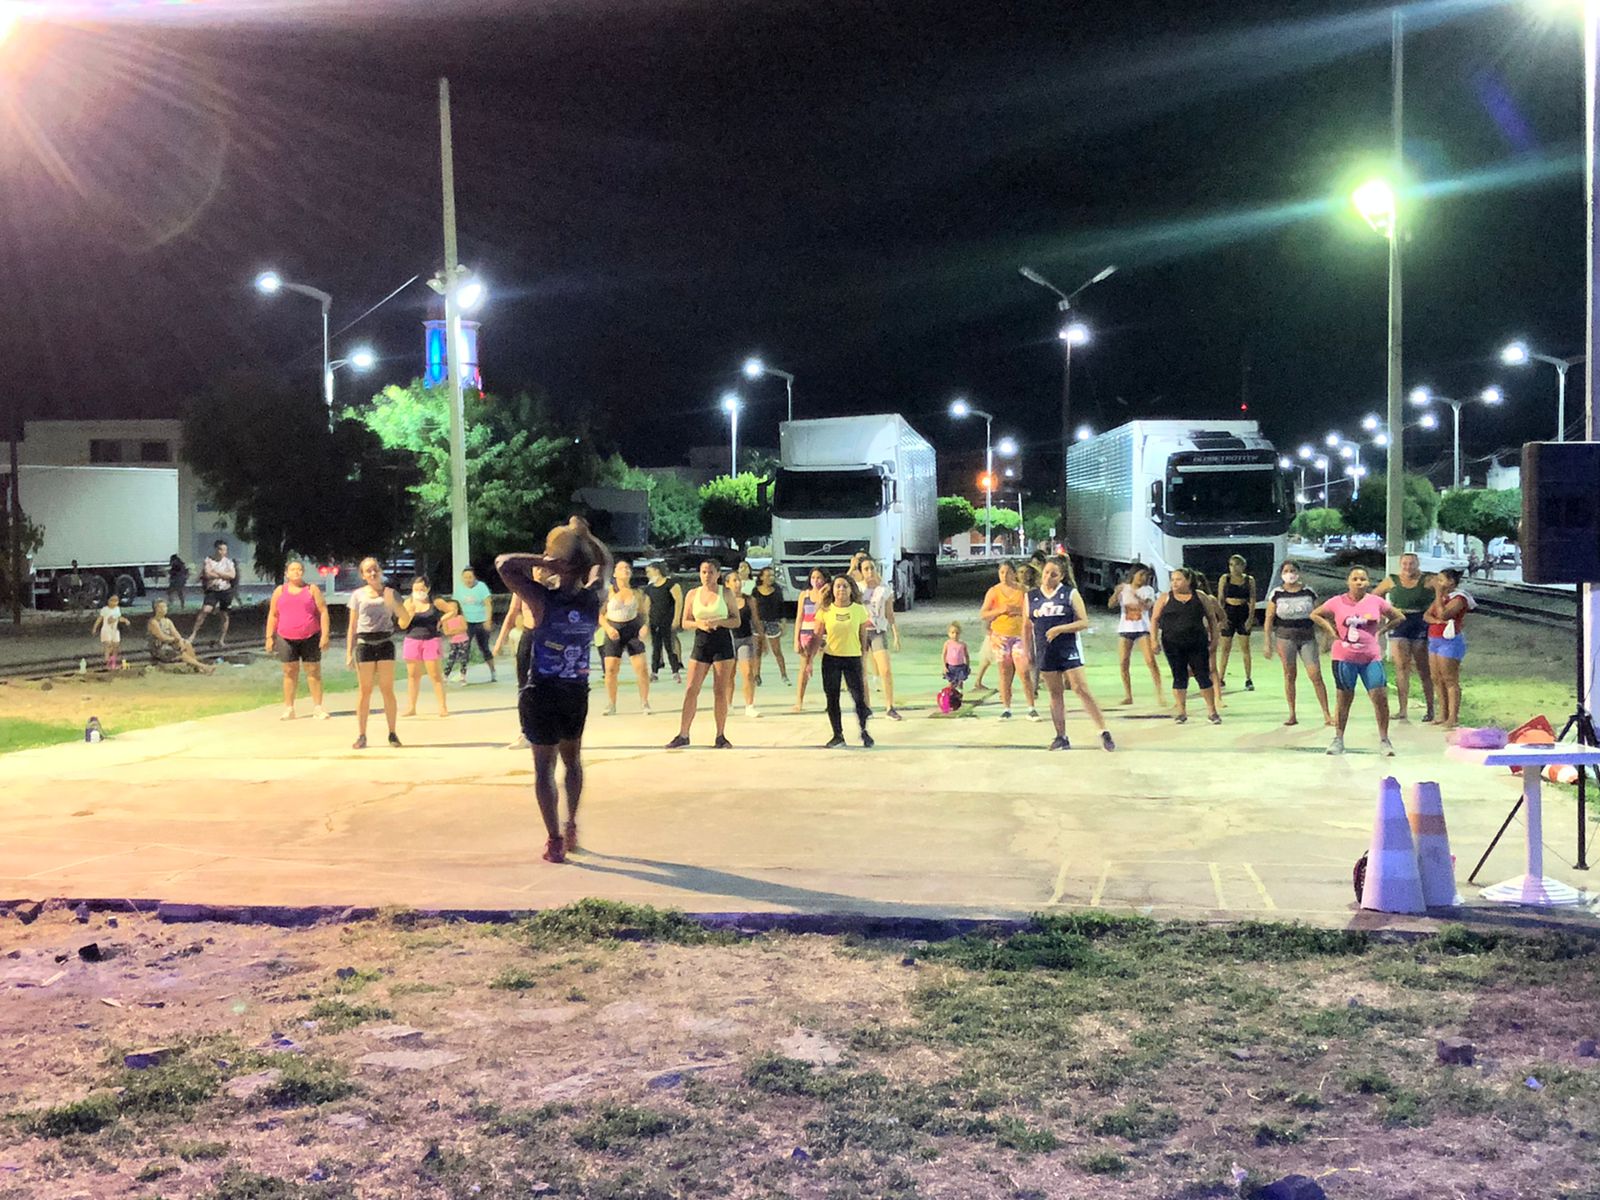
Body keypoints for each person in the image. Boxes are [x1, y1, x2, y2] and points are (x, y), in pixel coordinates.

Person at [496, 516, 611, 864]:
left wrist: (545, 561)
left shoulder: (543, 600)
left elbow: (504, 564)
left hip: (542, 690)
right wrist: (588, 537)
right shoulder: (593, 598)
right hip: (575, 690)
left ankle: (554, 840)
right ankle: (571, 823)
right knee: (572, 761)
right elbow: (605, 561)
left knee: (543, 767)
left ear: (559, 564)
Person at [1310, 566, 1402, 756]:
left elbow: (1398, 617)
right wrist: (1331, 631)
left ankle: (1384, 739)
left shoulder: (1376, 601)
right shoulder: (1337, 601)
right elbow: (1315, 614)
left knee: (1379, 696)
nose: (1359, 582)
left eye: (1362, 579)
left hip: (1370, 657)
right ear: (1348, 582)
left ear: (1368, 582)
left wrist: (1381, 631)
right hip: (1344, 657)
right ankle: (1338, 739)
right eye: (1355, 579)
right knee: (1344, 698)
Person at [1027, 557, 1114, 751]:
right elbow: (1027, 626)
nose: (1048, 577)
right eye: (1046, 572)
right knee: (1055, 693)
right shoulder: (1031, 596)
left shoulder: (1069, 594)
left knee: (1080, 688)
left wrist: (1060, 629)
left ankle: (1103, 730)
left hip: (1068, 648)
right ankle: (1061, 736)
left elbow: (1083, 622)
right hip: (1045, 650)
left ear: (1061, 576)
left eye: (1054, 574)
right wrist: (1028, 651)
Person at [666, 560, 741, 749]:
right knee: (691, 688)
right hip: (701, 641)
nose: (707, 576)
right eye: (704, 572)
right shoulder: (693, 594)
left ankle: (720, 735)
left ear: (718, 574)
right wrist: (699, 624)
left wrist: (719, 622)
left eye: (711, 572)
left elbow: (736, 620)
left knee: (720, 690)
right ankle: (683, 734)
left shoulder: (726, 593)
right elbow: (685, 622)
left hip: (721, 642)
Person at [344, 557, 415, 749]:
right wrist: (349, 652)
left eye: (375, 569)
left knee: (387, 689)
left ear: (380, 570)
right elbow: (352, 626)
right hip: (365, 644)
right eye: (368, 570)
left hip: (385, 642)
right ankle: (361, 735)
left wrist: (400, 606)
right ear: (363, 575)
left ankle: (392, 733)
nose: (373, 573)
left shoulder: (390, 593)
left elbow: (405, 619)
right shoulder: (358, 595)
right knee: (365, 690)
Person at [801, 574, 874, 748]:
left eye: (845, 586)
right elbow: (817, 636)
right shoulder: (825, 611)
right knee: (832, 697)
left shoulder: (858, 610)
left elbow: (863, 637)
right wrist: (809, 661)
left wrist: (864, 659)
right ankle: (837, 735)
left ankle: (864, 730)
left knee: (859, 697)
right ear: (832, 590)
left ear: (851, 590)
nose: (841, 589)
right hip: (831, 659)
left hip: (852, 658)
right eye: (838, 586)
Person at [1262, 559, 1331, 728]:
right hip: (1285, 637)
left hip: (1307, 636)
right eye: (1286, 571)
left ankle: (1327, 714)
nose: (1290, 574)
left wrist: (1326, 637)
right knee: (1289, 675)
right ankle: (1292, 713)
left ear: (1298, 572)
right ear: (1281, 574)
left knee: (1315, 674)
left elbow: (1320, 615)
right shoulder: (1277, 594)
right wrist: (1267, 642)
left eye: (1293, 570)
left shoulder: (1308, 592)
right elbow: (1269, 618)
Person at [1151, 567, 1221, 725]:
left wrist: (1215, 639)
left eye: (1178, 579)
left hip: (1197, 643)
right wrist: (1153, 640)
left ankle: (1212, 711)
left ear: (1188, 581)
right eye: (1172, 580)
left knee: (1203, 676)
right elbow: (1154, 619)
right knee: (1179, 677)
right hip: (1172, 644)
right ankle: (1181, 712)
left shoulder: (1200, 596)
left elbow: (1212, 618)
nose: (1174, 583)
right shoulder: (1165, 598)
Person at [264, 559, 332, 720]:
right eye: (293, 569)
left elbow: (323, 611)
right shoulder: (280, 591)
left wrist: (325, 635)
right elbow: (273, 614)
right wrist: (269, 637)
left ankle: (318, 707)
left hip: (310, 635)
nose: (296, 572)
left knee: (313, 671)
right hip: (286, 637)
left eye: (299, 569)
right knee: (289, 671)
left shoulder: (311, 589)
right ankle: (289, 708)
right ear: (286, 573)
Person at [1374, 552, 1435, 723]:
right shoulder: (1392, 580)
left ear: (1418, 564)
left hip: (1420, 622)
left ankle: (1431, 708)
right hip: (1399, 623)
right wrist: (1385, 613)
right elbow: (1375, 595)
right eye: (1405, 564)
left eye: (1412, 563)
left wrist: (1434, 611)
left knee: (1423, 668)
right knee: (1401, 667)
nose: (1408, 567)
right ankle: (1402, 709)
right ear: (1400, 564)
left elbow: (1443, 592)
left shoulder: (1428, 580)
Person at [980, 561, 1036, 720]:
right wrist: (1000, 610)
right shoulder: (994, 591)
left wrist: (1018, 611)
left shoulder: (1023, 591)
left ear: (1014, 574)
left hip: (1019, 635)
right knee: (1004, 672)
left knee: (1023, 670)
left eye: (1008, 572)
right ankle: (1006, 708)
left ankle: (1031, 707)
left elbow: (1032, 611)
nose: (1004, 576)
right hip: (1000, 636)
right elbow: (984, 613)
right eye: (1002, 572)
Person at [1424, 567, 1475, 731]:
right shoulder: (1442, 597)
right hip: (1434, 639)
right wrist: (1437, 621)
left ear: (1451, 582)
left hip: (1449, 641)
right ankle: (1442, 713)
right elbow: (1427, 615)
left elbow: (1443, 614)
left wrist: (1438, 593)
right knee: (1436, 677)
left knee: (1449, 679)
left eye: (1441, 580)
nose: (1438, 583)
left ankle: (1453, 717)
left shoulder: (1459, 598)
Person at [600, 560, 652, 716]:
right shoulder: (608, 592)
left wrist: (645, 626)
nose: (626, 570)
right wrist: (608, 628)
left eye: (628, 568)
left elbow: (644, 613)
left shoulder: (637, 592)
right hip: (614, 629)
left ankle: (644, 702)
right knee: (611, 669)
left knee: (641, 668)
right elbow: (600, 615)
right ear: (615, 573)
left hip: (632, 629)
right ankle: (611, 703)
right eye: (622, 568)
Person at [1108, 565, 1165, 707]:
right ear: (1133, 574)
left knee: (1150, 661)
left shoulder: (1148, 590)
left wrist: (1134, 595)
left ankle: (1159, 693)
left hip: (1143, 629)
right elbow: (1111, 605)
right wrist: (1116, 593)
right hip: (1125, 628)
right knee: (1123, 662)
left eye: (1145, 575)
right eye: (1141, 574)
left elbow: (1147, 606)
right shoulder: (1124, 588)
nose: (1143, 578)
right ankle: (1128, 695)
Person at [492, 591, 539, 750]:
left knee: (550, 686)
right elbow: (511, 614)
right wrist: (500, 640)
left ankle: (551, 731)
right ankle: (526, 732)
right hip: (529, 634)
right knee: (524, 686)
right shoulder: (522, 586)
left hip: (548, 636)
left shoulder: (554, 584)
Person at [858, 559, 903, 720]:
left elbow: (890, 613)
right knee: (862, 671)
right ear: (861, 571)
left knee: (885, 670)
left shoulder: (884, 589)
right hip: (861, 632)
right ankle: (866, 707)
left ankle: (890, 706)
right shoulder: (857, 588)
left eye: (872, 568)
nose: (869, 571)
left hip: (878, 631)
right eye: (866, 569)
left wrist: (895, 634)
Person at [401, 576, 451, 718]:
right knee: (413, 675)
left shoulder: (435, 601)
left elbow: (451, 610)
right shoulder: (408, 602)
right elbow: (402, 625)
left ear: (428, 589)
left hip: (431, 639)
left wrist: (441, 620)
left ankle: (442, 707)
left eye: (421, 589)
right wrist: (410, 613)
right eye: (415, 589)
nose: (418, 592)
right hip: (412, 639)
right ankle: (411, 707)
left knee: (435, 675)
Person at [790, 566, 829, 713]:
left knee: (828, 669)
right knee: (804, 669)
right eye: (813, 578)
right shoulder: (804, 595)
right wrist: (796, 640)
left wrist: (822, 595)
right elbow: (799, 617)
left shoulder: (828, 595)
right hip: (806, 632)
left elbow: (823, 611)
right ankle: (799, 701)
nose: (816, 581)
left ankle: (830, 702)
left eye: (819, 578)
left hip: (824, 633)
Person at [1215, 555, 1257, 691]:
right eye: (1231, 565)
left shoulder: (1249, 580)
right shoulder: (1225, 578)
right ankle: (1220, 678)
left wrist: (1250, 618)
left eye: (1237, 565)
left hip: (1242, 612)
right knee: (1225, 648)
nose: (1233, 568)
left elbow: (1252, 599)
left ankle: (1248, 678)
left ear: (1243, 566)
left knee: (1245, 647)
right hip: (1228, 612)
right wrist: (1221, 618)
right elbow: (1220, 599)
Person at [728, 568, 763, 718]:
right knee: (729, 674)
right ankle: (728, 704)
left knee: (748, 672)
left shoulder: (749, 600)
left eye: (739, 580)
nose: (738, 583)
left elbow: (755, 620)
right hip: (728, 640)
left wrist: (761, 638)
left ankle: (749, 705)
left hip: (746, 639)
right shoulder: (722, 600)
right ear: (727, 583)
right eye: (734, 580)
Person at [190, 540, 238, 647]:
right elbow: (208, 574)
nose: (223, 552)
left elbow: (232, 575)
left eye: (225, 550)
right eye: (220, 549)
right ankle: (193, 634)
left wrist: (217, 573)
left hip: (225, 590)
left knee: (224, 615)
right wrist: (224, 575)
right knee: (205, 610)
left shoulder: (229, 562)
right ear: (216, 549)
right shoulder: (209, 560)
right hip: (212, 590)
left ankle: (221, 639)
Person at [643, 562, 684, 683]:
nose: (647, 574)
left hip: (668, 620)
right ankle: (654, 672)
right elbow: (647, 606)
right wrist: (646, 622)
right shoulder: (649, 588)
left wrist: (677, 618)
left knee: (670, 646)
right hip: (655, 621)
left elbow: (679, 601)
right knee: (656, 647)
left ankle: (675, 671)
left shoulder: (670, 584)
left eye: (649, 571)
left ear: (657, 570)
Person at [456, 567, 497, 684]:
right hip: (466, 622)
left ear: (474, 577)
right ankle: (462, 674)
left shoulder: (481, 587)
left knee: (484, 647)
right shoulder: (459, 589)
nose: (468, 580)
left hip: (481, 621)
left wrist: (488, 620)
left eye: (470, 577)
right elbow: (456, 606)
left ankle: (493, 671)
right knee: (465, 648)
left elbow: (488, 604)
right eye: (465, 577)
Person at [146, 600, 213, 672]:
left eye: (165, 607)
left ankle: (197, 667)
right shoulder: (153, 622)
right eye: (162, 607)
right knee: (181, 654)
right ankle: (203, 666)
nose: (164, 609)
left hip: (170, 644)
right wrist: (175, 640)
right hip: (159, 647)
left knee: (187, 643)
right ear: (156, 609)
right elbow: (162, 637)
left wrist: (180, 641)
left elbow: (176, 634)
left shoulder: (168, 621)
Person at [752, 566, 790, 685]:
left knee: (777, 651)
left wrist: (783, 623)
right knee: (757, 650)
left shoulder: (777, 591)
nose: (771, 578)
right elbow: (753, 609)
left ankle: (784, 675)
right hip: (758, 623)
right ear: (761, 577)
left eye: (772, 575)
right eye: (768, 575)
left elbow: (782, 608)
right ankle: (756, 675)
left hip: (773, 622)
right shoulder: (755, 591)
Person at [91, 594, 128, 669]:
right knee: (108, 646)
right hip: (106, 630)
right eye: (112, 600)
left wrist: (125, 620)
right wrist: (95, 627)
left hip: (115, 630)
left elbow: (119, 618)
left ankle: (113, 662)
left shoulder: (117, 609)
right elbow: (100, 619)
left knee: (115, 646)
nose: (114, 603)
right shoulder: (105, 609)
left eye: (116, 601)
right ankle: (107, 662)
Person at [441, 598, 471, 684]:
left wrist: (453, 631)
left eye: (455, 608)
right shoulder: (445, 620)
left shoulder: (460, 617)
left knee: (463, 659)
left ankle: (462, 676)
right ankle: (445, 675)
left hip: (464, 641)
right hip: (453, 642)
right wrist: (457, 630)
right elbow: (446, 632)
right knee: (451, 659)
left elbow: (464, 628)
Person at [942, 622, 970, 694]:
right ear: (949, 633)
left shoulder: (962, 644)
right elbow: (943, 655)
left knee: (960, 682)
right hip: (950, 666)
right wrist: (944, 666)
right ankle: (949, 694)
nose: (955, 635)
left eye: (957, 633)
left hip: (960, 666)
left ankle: (960, 694)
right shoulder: (947, 643)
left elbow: (966, 655)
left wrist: (967, 665)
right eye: (952, 633)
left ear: (960, 634)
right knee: (951, 683)